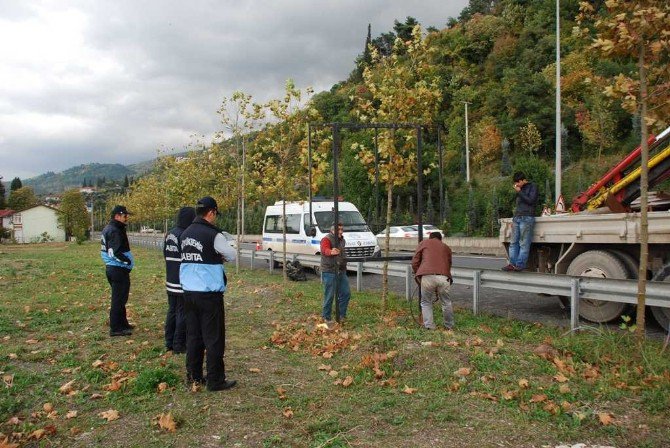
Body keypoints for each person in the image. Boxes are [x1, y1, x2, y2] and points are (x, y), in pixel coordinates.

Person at [180, 196, 237, 391]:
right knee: (213, 338)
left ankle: (194, 376)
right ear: (211, 212)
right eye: (215, 214)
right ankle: (215, 379)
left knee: (194, 336)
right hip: (209, 294)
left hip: (188, 292)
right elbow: (232, 254)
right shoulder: (214, 235)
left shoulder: (185, 234)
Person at [163, 206, 196, 354]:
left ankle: (169, 341)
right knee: (183, 312)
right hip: (182, 281)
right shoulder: (185, 235)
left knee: (172, 311)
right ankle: (179, 344)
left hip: (170, 279)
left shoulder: (169, 234)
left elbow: (165, 254)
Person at [100, 205, 135, 337]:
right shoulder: (115, 230)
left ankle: (123, 323)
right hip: (117, 269)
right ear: (117, 216)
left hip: (114, 269)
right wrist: (127, 261)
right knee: (118, 299)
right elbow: (114, 252)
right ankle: (116, 328)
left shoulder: (111, 228)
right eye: (125, 215)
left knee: (121, 298)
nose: (127, 218)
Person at [411, 231, 454, 330]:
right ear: (440, 239)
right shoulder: (446, 247)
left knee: (426, 302)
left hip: (427, 276)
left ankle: (430, 327)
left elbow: (414, 262)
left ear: (430, 237)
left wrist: (419, 274)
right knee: (446, 302)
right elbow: (449, 264)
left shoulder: (424, 243)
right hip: (444, 277)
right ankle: (449, 326)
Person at [502, 171, 539, 272]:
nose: (516, 184)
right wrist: (518, 192)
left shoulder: (533, 187)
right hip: (517, 217)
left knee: (523, 243)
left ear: (523, 180)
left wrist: (519, 192)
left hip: (527, 217)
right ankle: (512, 264)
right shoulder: (519, 189)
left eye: (518, 182)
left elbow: (531, 201)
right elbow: (518, 202)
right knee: (513, 242)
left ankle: (520, 265)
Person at [320, 222, 351, 325]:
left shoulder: (343, 240)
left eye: (342, 229)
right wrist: (330, 251)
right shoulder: (326, 239)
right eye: (339, 229)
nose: (341, 231)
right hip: (329, 271)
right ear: (332, 230)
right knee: (329, 295)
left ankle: (341, 315)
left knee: (346, 293)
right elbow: (325, 249)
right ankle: (326, 317)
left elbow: (342, 254)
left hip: (341, 271)